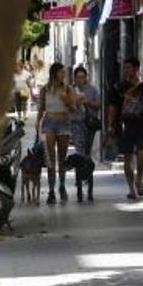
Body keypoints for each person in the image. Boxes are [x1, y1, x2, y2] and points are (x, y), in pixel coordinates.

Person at [108, 57, 143, 200]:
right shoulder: (119, 87)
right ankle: (131, 188)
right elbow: (113, 107)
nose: (126, 70)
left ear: (136, 69)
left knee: (142, 155)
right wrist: (110, 125)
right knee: (127, 158)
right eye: (125, 68)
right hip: (126, 125)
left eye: (129, 67)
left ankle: (139, 178)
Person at [37, 62, 80, 204]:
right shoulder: (45, 89)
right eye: (62, 72)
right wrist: (38, 122)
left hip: (63, 123)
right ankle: (51, 191)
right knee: (50, 159)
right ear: (55, 73)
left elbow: (74, 108)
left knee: (62, 158)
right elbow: (41, 108)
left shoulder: (68, 89)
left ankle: (61, 186)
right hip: (49, 122)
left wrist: (66, 99)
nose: (64, 75)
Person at [70, 65, 101, 158]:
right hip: (76, 123)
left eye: (82, 77)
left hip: (89, 123)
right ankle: (81, 170)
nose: (80, 79)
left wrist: (86, 102)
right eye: (78, 77)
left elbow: (98, 105)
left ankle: (86, 169)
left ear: (86, 78)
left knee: (88, 150)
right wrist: (74, 103)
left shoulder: (92, 90)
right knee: (79, 149)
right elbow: (66, 106)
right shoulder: (70, 90)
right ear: (74, 78)